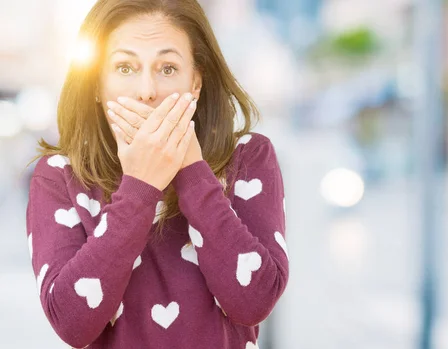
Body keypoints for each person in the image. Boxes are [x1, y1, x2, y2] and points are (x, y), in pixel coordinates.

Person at [25, 1, 289, 348]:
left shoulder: (248, 158)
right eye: (124, 67)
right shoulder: (60, 176)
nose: (146, 90)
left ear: (195, 82)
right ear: (96, 86)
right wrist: (140, 187)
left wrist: (192, 170)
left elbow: (254, 302)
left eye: (167, 68)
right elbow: (72, 323)